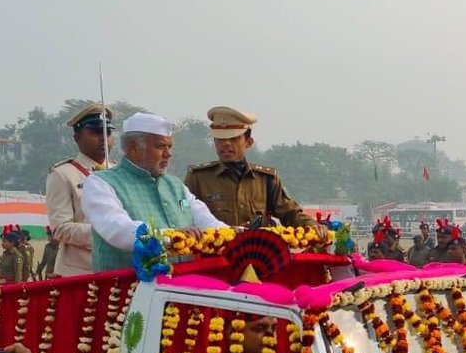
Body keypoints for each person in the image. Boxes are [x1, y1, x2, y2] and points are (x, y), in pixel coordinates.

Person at [82, 113, 227, 272]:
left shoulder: (174, 184)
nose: (168, 154)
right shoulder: (101, 183)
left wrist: (235, 234)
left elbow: (205, 220)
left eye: (169, 147)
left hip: (181, 288)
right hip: (128, 290)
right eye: (160, 146)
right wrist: (169, 236)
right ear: (133, 148)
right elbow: (119, 230)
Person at [182, 106, 316, 229]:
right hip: (216, 253)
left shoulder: (266, 179)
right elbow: (183, 216)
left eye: (233, 139)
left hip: (259, 252)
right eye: (220, 139)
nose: (226, 144)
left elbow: (290, 213)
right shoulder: (198, 178)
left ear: (248, 142)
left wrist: (313, 226)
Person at [45, 103, 115, 277]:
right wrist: (107, 233)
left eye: (107, 133)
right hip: (80, 272)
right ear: (77, 137)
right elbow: (60, 228)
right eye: (95, 132)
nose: (103, 139)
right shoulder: (63, 174)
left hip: (118, 268)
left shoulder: (119, 173)